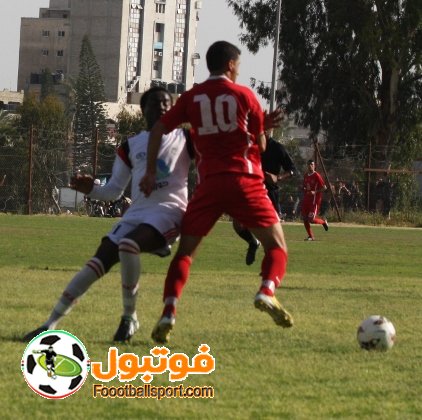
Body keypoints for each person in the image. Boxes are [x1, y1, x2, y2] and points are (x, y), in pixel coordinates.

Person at [140, 40, 294, 344]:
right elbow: (262, 146)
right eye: (238, 65)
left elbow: (158, 129)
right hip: (245, 181)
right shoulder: (245, 95)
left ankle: (169, 312)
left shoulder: (192, 97)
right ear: (231, 65)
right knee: (276, 247)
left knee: (185, 254)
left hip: (210, 183)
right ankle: (267, 290)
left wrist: (149, 171)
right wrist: (261, 126)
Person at [23, 87, 192, 343]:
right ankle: (49, 324)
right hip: (137, 215)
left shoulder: (185, 138)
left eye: (167, 103)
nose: (162, 107)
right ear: (143, 110)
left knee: (128, 244)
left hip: (169, 212)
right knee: (98, 261)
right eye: (156, 103)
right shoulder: (130, 146)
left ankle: (129, 317)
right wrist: (90, 189)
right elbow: (114, 191)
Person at [233, 136, 297, 265]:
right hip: (251, 190)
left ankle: (271, 266)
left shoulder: (277, 148)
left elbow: (292, 170)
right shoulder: (249, 144)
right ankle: (253, 242)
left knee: (271, 235)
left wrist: (278, 177)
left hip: (270, 193)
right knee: (237, 224)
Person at [301, 159, 328, 241]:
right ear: (307, 165)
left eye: (312, 164)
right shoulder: (306, 175)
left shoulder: (317, 175)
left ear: (314, 166)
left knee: (311, 219)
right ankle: (311, 236)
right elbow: (305, 186)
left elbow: (324, 188)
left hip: (314, 201)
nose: (310, 166)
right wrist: (303, 188)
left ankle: (323, 222)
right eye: (309, 164)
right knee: (305, 219)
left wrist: (315, 192)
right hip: (306, 200)